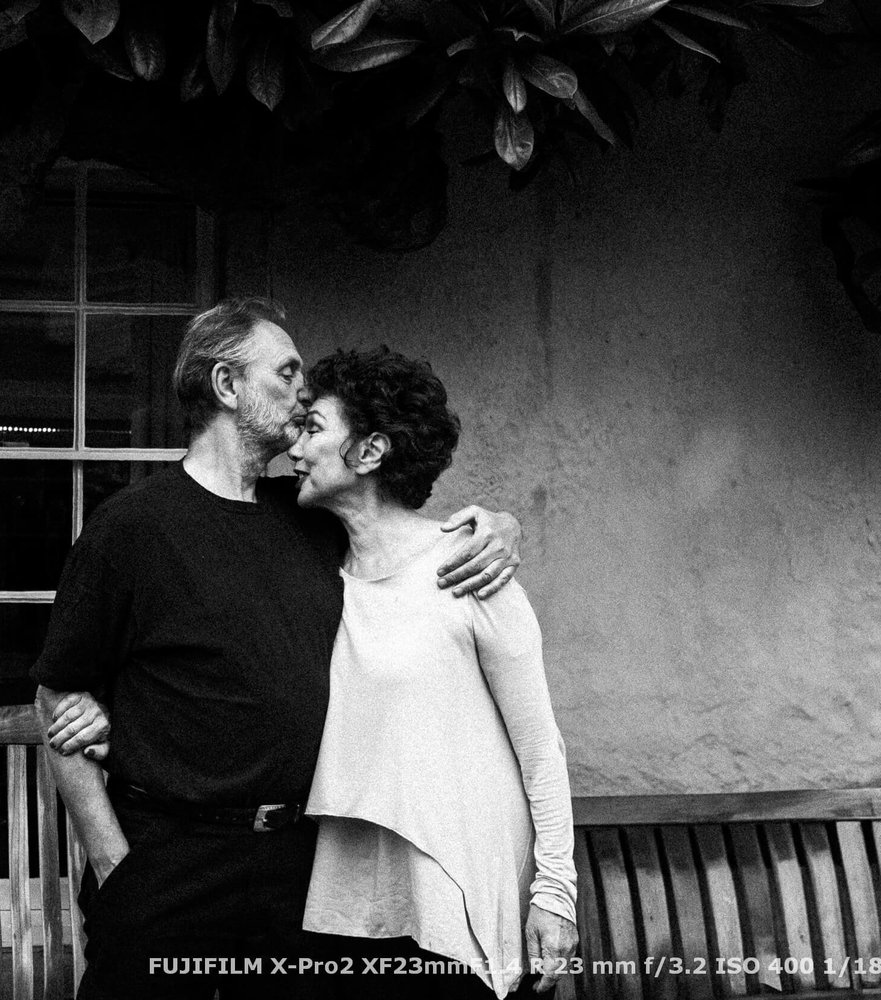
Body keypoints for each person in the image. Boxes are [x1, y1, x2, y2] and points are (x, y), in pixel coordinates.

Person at [31, 297, 525, 1000]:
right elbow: (59, 692)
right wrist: (114, 864)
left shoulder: (309, 518)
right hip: (168, 862)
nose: (303, 392)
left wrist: (499, 527)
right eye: (287, 374)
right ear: (227, 385)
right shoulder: (130, 529)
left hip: (300, 865)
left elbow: (399, 534)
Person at [288, 347, 577, 1000]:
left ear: (370, 451)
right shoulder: (312, 572)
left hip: (459, 897)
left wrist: (555, 892)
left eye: (312, 428)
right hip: (345, 907)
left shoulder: (469, 569)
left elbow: (541, 748)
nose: (293, 447)